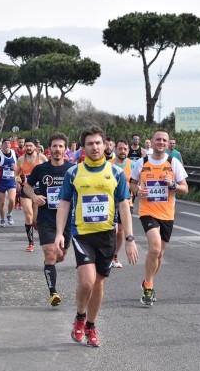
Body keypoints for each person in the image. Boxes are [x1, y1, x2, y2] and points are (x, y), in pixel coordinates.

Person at [55, 125, 138, 347]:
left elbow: (124, 206)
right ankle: (80, 317)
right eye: (90, 143)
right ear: (83, 147)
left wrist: (129, 239)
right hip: (82, 234)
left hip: (107, 236)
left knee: (99, 284)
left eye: (98, 143)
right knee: (86, 281)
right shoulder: (73, 172)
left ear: (105, 146)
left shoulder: (116, 173)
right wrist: (58, 235)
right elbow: (63, 204)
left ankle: (91, 325)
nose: (94, 147)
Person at [130, 129, 188, 307]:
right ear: (152, 142)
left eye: (164, 140)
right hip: (148, 211)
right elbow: (131, 183)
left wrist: (172, 185)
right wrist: (138, 191)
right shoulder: (142, 162)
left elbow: (185, 188)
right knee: (154, 249)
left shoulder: (173, 162)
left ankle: (149, 280)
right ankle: (148, 287)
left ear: (168, 143)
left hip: (167, 213)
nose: (161, 142)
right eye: (158, 139)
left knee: (160, 254)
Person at [24, 133, 73, 306]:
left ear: (65, 149)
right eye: (54, 146)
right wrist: (34, 196)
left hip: (67, 220)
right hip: (46, 218)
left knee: (61, 255)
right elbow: (27, 186)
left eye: (60, 146)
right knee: (51, 253)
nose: (57, 149)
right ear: (49, 149)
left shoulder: (73, 169)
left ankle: (50, 263)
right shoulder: (40, 169)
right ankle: (53, 293)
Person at [15, 138, 48, 251]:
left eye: (30, 146)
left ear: (35, 147)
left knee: (36, 220)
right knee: (28, 215)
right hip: (26, 190)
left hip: (39, 191)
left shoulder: (42, 158)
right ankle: (31, 243)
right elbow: (16, 173)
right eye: (27, 146)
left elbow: (50, 170)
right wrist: (18, 180)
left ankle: (35, 223)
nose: (28, 148)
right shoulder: (20, 159)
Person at [111, 139, 136, 268]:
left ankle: (115, 256)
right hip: (110, 202)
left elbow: (136, 183)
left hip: (126, 202)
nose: (122, 151)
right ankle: (106, 255)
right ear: (116, 149)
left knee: (120, 231)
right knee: (110, 230)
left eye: (125, 149)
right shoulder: (108, 164)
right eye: (120, 149)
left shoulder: (133, 165)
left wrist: (138, 189)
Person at [0, 138, 17, 228]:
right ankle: (2, 219)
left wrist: (16, 167)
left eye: (8, 143)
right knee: (2, 202)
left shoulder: (14, 153)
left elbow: (19, 165)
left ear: (10, 145)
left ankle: (9, 214)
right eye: (5, 143)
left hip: (11, 180)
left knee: (12, 200)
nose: (7, 145)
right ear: (2, 145)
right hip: (1, 181)